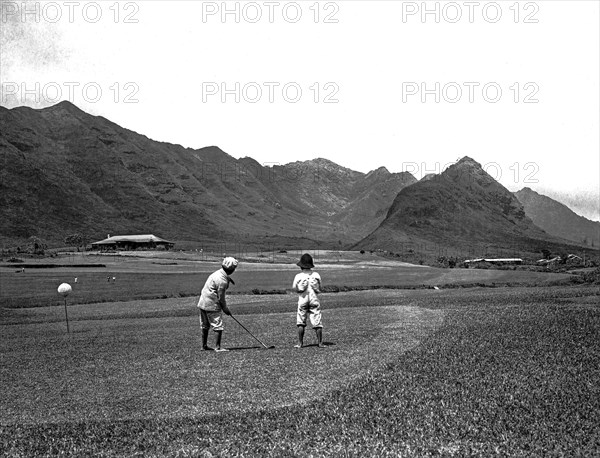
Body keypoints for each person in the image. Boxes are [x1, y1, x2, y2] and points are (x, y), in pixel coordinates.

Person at [197, 257, 238, 352]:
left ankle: (204, 346)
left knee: (205, 325)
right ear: (232, 270)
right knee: (218, 325)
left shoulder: (217, 273)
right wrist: (225, 309)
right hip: (212, 304)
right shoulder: (222, 281)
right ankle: (218, 347)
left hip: (203, 302)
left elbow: (223, 278)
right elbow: (221, 298)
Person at [292, 253, 324, 348]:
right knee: (317, 321)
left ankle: (300, 343)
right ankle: (320, 343)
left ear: (301, 266)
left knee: (301, 321)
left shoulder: (298, 276)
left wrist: (300, 289)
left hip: (303, 299)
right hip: (314, 299)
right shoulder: (316, 275)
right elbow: (320, 288)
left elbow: (294, 288)